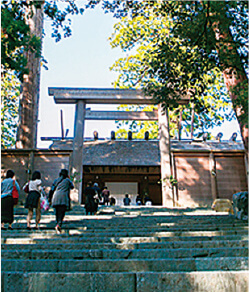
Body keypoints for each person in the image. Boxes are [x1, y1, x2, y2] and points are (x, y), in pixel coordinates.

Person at [51, 169, 74, 234]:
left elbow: (52, 189)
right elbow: (72, 187)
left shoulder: (56, 180)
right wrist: (69, 179)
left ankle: (58, 223)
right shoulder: (67, 181)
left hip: (56, 197)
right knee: (62, 212)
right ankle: (59, 224)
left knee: (57, 212)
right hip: (63, 198)